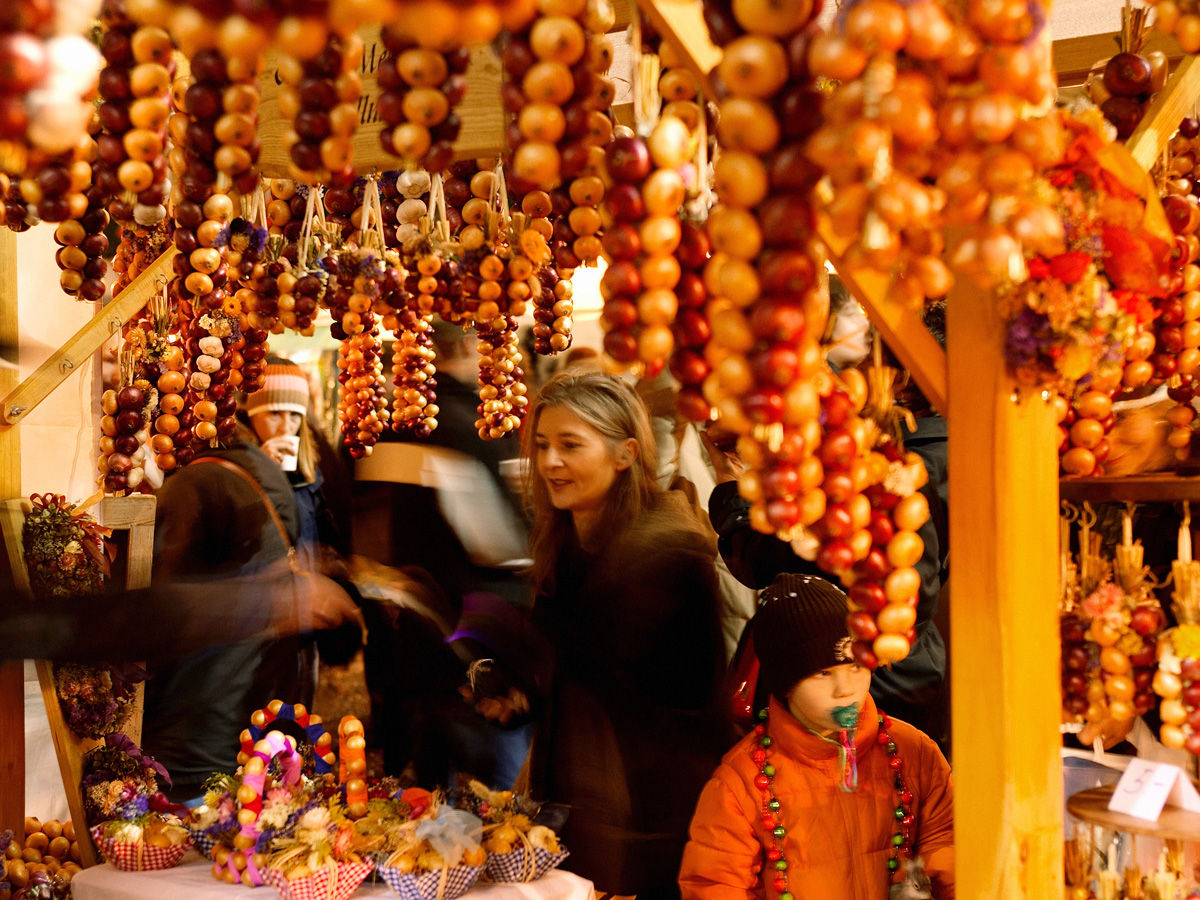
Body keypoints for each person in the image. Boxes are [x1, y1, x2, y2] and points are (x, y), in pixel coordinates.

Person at [505, 371, 729, 900]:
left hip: (651, 819)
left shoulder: (665, 551)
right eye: (542, 446)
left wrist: (499, 638)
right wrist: (510, 681)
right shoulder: (567, 544)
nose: (550, 462)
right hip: (590, 809)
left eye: (569, 445)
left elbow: (607, 666)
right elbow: (557, 662)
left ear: (625, 453)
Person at [706, 304, 949, 749]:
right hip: (908, 672)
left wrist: (733, 486)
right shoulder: (905, 459)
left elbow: (760, 556)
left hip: (843, 685)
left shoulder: (858, 465)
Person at [679, 574, 955, 900]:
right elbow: (715, 886)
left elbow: (947, 848)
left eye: (855, 665)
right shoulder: (739, 785)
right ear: (786, 685)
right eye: (823, 674)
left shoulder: (914, 752)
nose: (845, 689)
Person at [140, 411, 326, 801]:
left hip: (196, 720)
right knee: (242, 823)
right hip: (253, 709)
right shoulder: (263, 472)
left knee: (199, 828)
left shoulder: (194, 485)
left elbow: (164, 610)